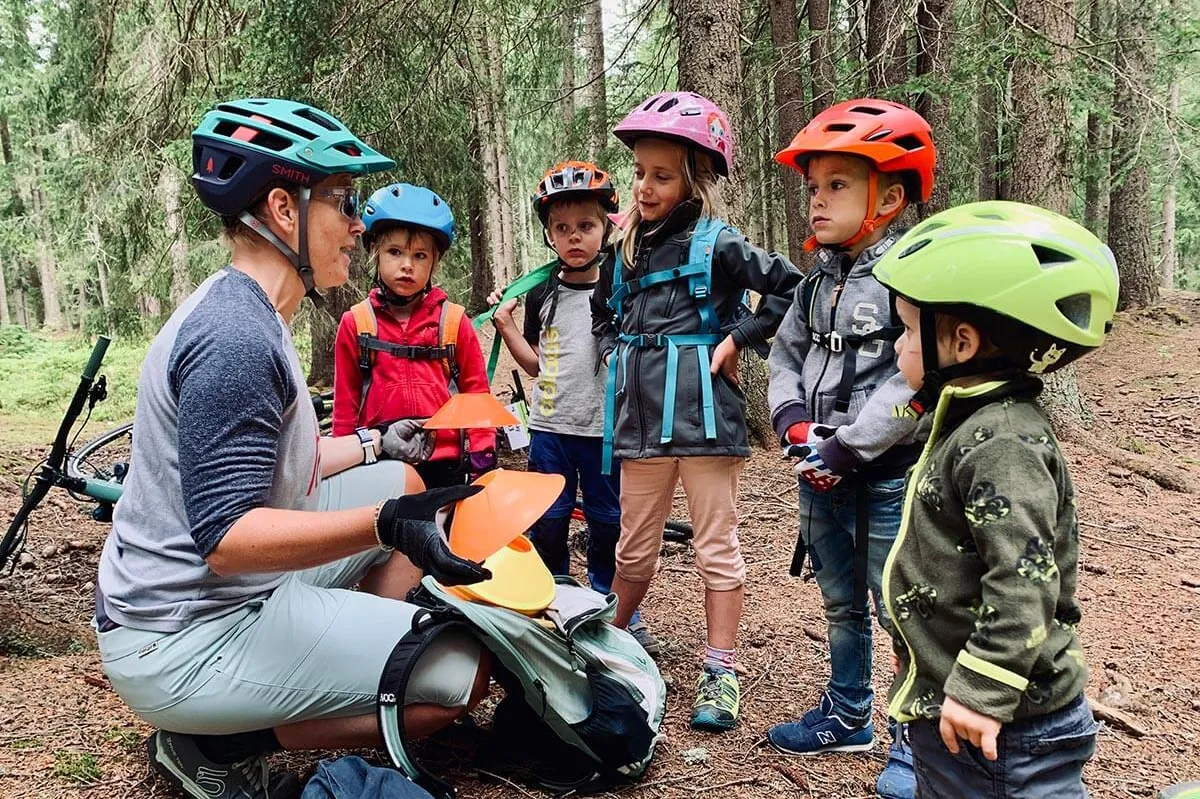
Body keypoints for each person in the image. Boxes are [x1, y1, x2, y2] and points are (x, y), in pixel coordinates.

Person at [94, 98, 493, 799]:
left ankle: (357, 656)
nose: (358, 224)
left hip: (193, 599)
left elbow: (281, 466)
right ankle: (218, 741)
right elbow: (227, 536)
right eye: (342, 201)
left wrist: (373, 443)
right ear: (284, 208)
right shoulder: (237, 340)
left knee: (401, 476)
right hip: (185, 632)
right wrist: (380, 526)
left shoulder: (254, 308)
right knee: (461, 673)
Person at [872, 200, 1116, 798]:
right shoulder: (971, 422)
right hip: (963, 716)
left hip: (1007, 730)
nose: (897, 344)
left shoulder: (1001, 442)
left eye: (907, 329)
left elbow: (1025, 582)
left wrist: (983, 690)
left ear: (961, 341)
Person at [593, 90, 801, 732]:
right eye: (639, 173)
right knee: (634, 548)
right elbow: (604, 310)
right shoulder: (623, 247)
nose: (645, 186)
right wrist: (613, 355)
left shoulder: (720, 243)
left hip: (707, 420)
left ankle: (721, 670)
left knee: (716, 546)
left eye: (661, 175)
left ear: (694, 178)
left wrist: (737, 337)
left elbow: (792, 288)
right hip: (640, 421)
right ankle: (602, 649)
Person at [764, 98, 936, 799]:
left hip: (888, 476)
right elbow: (784, 354)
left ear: (889, 197)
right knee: (839, 601)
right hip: (818, 471)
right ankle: (848, 711)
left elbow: (914, 380)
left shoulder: (913, 282)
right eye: (813, 186)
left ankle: (915, 743)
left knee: (898, 606)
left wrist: (850, 448)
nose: (817, 200)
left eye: (837, 185)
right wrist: (794, 420)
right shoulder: (814, 284)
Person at [487, 161, 660, 654]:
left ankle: (614, 603)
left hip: (607, 431)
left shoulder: (623, 286)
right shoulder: (542, 291)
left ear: (608, 225)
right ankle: (552, 595)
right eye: (561, 229)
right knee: (550, 518)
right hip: (550, 428)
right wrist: (507, 327)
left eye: (585, 226)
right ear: (548, 235)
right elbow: (538, 365)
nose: (574, 237)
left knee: (608, 520)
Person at [331, 182, 495, 488]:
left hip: (445, 463)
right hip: (379, 462)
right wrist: (343, 454)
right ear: (374, 253)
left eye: (420, 256)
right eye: (395, 252)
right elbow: (346, 403)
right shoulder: (357, 323)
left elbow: (476, 392)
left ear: (434, 263)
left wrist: (483, 450)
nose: (407, 265)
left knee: (443, 535)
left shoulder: (453, 322)